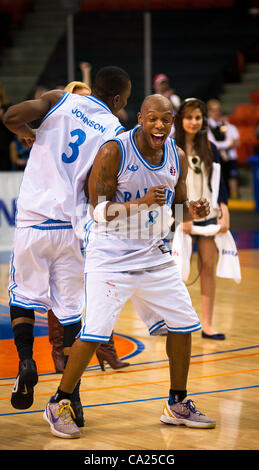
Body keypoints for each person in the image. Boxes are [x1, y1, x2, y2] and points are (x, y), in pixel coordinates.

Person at [43, 94, 216, 439]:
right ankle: (58, 401)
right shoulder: (114, 151)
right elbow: (97, 211)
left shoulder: (176, 156)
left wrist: (192, 212)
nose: (159, 126)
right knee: (94, 333)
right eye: (153, 119)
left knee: (184, 324)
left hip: (154, 254)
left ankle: (177, 403)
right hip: (110, 255)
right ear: (140, 117)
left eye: (165, 121)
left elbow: (176, 209)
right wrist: (138, 203)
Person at [3, 66, 131, 428]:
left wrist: (27, 133)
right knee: (72, 313)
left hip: (33, 220)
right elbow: (100, 191)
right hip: (72, 228)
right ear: (118, 99)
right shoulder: (115, 134)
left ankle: (27, 360)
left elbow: (10, 116)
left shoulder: (59, 99)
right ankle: (70, 396)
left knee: (24, 296)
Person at [47, 78, 130, 373]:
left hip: (92, 218)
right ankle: (60, 352)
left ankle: (104, 348)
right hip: (61, 217)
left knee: (102, 285)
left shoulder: (106, 134)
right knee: (63, 289)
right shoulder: (59, 134)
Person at [173, 98, 229, 339]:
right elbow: (169, 186)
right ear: (180, 119)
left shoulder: (211, 149)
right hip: (180, 217)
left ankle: (207, 324)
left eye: (198, 117)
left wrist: (225, 213)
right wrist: (179, 217)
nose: (194, 122)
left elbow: (220, 185)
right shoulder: (170, 148)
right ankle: (172, 323)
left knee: (208, 267)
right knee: (175, 271)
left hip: (208, 216)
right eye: (189, 117)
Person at [207, 99, 239, 199]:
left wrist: (225, 145)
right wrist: (227, 145)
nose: (217, 113)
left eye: (218, 110)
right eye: (214, 110)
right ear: (209, 112)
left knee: (229, 176)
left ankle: (231, 195)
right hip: (212, 156)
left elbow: (234, 141)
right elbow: (212, 143)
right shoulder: (207, 125)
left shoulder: (224, 125)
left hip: (225, 157)